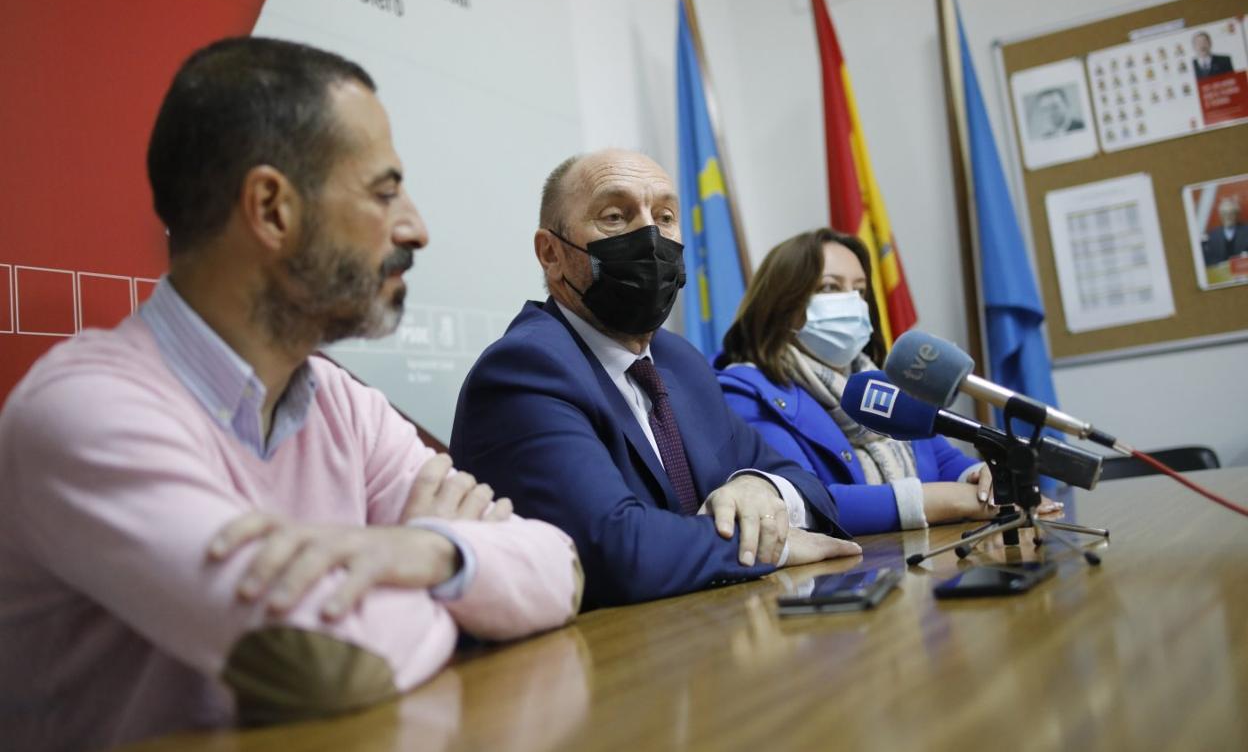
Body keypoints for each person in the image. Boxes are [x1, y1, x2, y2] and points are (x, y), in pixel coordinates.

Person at [0, 37, 581, 752]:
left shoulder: (343, 403)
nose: (416, 228)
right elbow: (325, 666)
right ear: (272, 209)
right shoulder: (86, 413)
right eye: (383, 191)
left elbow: (562, 565)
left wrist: (431, 551)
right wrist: (459, 571)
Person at [449, 149, 860, 610]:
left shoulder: (677, 359)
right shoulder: (525, 368)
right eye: (614, 216)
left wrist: (759, 488)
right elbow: (616, 549)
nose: (649, 236)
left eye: (664, 217)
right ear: (551, 254)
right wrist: (772, 545)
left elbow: (802, 481)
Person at [715, 228, 1061, 536]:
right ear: (782, 304)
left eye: (860, 291)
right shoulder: (747, 392)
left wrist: (981, 477)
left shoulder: (884, 383)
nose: (851, 302)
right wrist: (953, 501)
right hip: (841, 581)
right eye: (830, 287)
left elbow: (941, 459)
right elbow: (800, 500)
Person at [1201, 196, 1248, 264]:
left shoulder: (1246, 231)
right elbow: (1209, 259)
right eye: (1224, 213)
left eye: (1231, 213)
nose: (1228, 217)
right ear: (1220, 216)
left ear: (1237, 215)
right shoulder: (1212, 235)